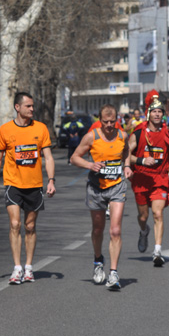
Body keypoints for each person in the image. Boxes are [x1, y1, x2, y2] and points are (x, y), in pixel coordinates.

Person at [0, 92, 56, 284]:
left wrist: (51, 180)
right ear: (18, 107)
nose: (32, 109)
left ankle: (29, 267)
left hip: (34, 185)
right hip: (12, 184)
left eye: (33, 106)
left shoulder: (41, 129)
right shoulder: (5, 130)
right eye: (28, 106)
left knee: (30, 226)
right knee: (15, 224)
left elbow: (49, 157)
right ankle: (17, 267)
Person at [70, 104, 132, 291]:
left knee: (115, 230)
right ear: (100, 121)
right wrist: (90, 165)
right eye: (105, 122)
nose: (109, 125)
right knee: (98, 229)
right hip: (96, 188)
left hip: (117, 187)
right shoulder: (92, 137)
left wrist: (127, 166)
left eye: (113, 122)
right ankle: (98, 261)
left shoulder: (122, 136)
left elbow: (127, 152)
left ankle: (113, 273)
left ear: (117, 120)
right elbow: (74, 158)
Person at [129, 91, 169, 267]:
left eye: (160, 112)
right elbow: (125, 155)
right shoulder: (139, 133)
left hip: (160, 179)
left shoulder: (166, 133)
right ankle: (144, 231)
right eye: (154, 111)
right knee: (143, 217)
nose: (157, 114)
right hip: (141, 179)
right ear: (148, 114)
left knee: (158, 213)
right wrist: (141, 160)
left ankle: (157, 250)